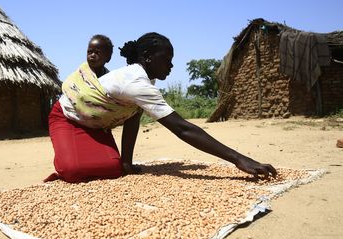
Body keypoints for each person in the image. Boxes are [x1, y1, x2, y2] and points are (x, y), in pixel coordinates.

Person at [45, 32, 277, 183]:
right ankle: (67, 161)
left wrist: (126, 163)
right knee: (74, 171)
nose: (171, 65)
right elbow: (182, 128)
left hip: (96, 126)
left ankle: (110, 160)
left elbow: (132, 117)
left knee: (113, 170)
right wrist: (239, 159)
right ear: (147, 57)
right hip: (67, 116)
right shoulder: (136, 82)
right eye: (166, 59)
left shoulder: (145, 81)